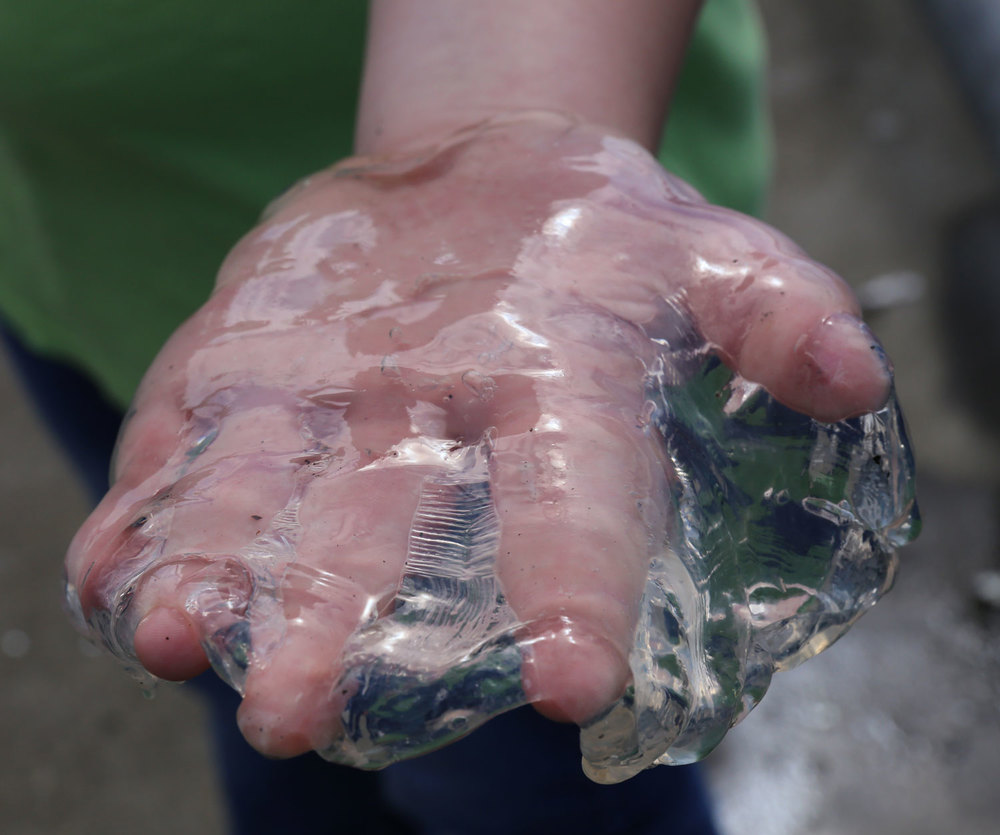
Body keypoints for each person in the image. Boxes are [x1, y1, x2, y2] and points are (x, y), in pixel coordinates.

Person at [1, 2, 892, 832]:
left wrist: (499, 115)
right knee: (238, 669)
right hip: (92, 265)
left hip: (556, 235)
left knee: (535, 762)